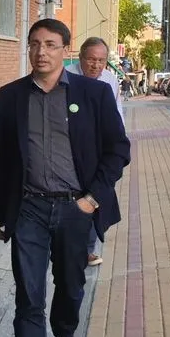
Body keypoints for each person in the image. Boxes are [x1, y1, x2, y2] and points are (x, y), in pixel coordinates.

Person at [0, 19, 130, 337]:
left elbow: (118, 150)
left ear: (65, 50)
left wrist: (92, 199)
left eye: (50, 44)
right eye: (34, 44)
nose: (41, 52)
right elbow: (3, 158)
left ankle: (65, 332)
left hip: (74, 208)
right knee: (28, 300)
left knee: (69, 285)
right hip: (29, 210)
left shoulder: (93, 93)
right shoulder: (12, 95)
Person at [66, 37, 124, 268]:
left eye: (101, 60)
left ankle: (89, 249)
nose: (96, 65)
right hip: (74, 147)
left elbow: (118, 114)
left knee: (96, 196)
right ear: (81, 58)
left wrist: (117, 146)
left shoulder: (110, 80)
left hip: (99, 149)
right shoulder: (67, 76)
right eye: (91, 59)